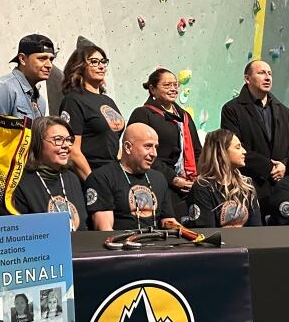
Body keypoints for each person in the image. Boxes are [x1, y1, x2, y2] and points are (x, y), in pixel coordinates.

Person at [221, 60, 289, 219]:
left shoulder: (282, 110)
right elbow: (233, 147)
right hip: (248, 183)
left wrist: (284, 164)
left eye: (270, 73)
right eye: (261, 73)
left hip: (280, 184)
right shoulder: (232, 109)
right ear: (247, 78)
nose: (267, 77)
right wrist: (268, 167)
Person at [128, 68, 202, 219]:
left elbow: (197, 151)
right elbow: (140, 154)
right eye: (167, 85)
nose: (173, 88)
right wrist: (173, 179)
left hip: (190, 184)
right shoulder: (143, 114)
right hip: (161, 183)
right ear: (152, 89)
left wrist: (199, 178)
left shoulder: (184, 117)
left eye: (175, 85)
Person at [84, 123, 177, 231]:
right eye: (148, 146)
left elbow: (168, 221)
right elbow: (104, 230)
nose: (154, 153)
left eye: (155, 147)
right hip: (122, 245)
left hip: (155, 244)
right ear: (128, 147)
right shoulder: (102, 178)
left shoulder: (159, 178)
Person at [59, 45, 125, 181]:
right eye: (94, 62)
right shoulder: (73, 100)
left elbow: (114, 140)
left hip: (114, 174)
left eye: (103, 62)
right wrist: (93, 182)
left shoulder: (108, 100)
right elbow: (72, 150)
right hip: (93, 173)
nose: (101, 66)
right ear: (80, 66)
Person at [13, 116, 87, 231]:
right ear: (38, 143)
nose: (66, 145)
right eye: (58, 139)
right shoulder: (21, 182)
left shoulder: (72, 178)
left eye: (68, 139)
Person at [185, 129, 262, 228]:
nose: (244, 152)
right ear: (221, 152)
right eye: (238, 147)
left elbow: (256, 228)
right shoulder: (202, 187)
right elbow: (206, 233)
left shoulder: (247, 184)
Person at [0, 34, 54, 119]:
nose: (49, 65)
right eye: (42, 59)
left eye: (51, 59)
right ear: (22, 59)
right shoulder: (2, 89)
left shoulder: (40, 101)